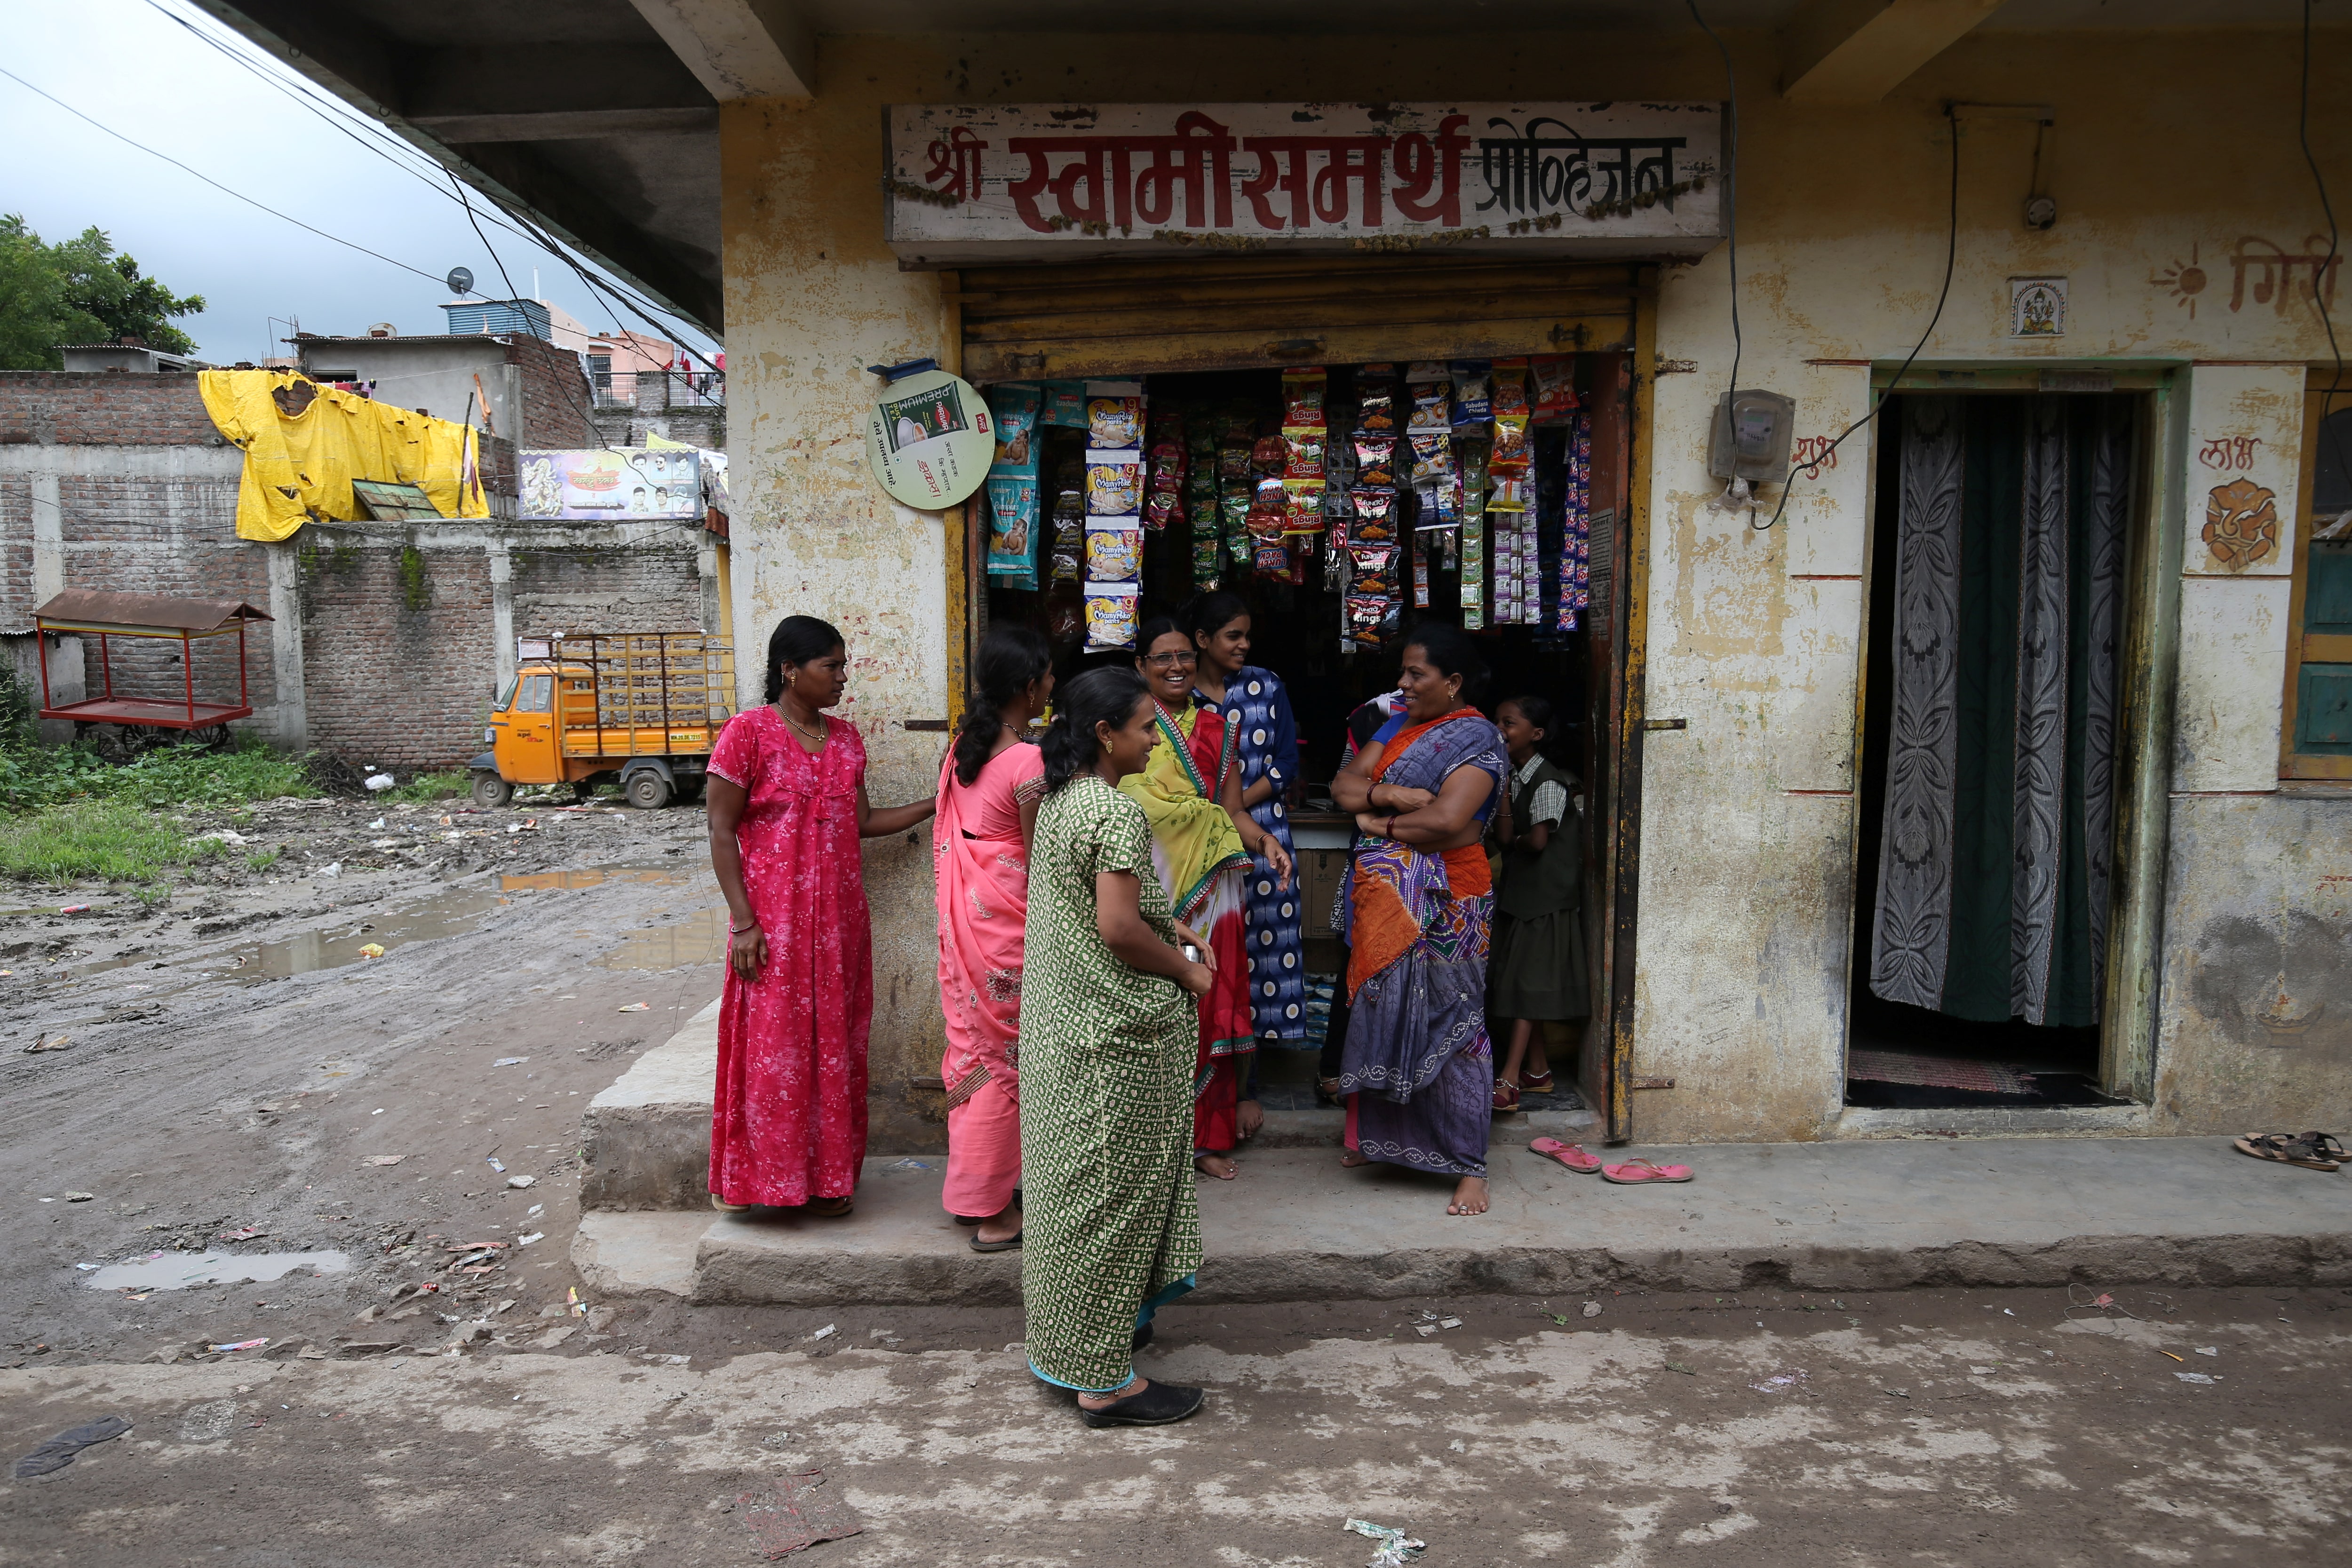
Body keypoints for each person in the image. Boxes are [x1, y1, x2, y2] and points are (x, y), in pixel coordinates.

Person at [1019, 665, 1216, 1427]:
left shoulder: (1060, 799)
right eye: (1145, 728)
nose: (1157, 740)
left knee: (1074, 1200)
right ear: (1104, 734)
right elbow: (1118, 927)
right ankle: (1103, 1383)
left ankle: (1081, 1341)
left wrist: (1172, 926)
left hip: (1065, 1035)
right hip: (1111, 1045)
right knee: (1112, 1203)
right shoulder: (1114, 811)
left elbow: (1092, 906)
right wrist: (1188, 972)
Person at [706, 615, 937, 1217]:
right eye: (830, 666)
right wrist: (743, 923)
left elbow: (862, 823)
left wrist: (938, 802)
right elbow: (721, 830)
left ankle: (829, 1182)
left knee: (835, 1051)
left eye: (843, 666)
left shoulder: (847, 740)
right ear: (789, 670)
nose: (841, 678)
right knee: (774, 1054)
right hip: (771, 929)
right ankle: (764, 1185)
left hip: (839, 927)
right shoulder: (747, 733)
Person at [1329, 625, 1510, 1216]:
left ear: (1452, 682)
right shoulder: (1395, 726)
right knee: (1387, 1007)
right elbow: (1343, 787)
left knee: (1456, 1022)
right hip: (1388, 895)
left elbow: (1448, 823)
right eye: (1402, 672)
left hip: (1451, 899)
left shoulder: (1477, 738)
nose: (1402, 684)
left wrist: (1374, 824)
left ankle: (1469, 1167)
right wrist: (1391, 797)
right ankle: (1383, 1142)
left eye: (1416, 674)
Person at [1125, 617, 1295, 1179]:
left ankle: (1204, 1139)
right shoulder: (1124, 727)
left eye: (1184, 657)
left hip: (1212, 892)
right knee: (1148, 1002)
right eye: (1162, 658)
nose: (1176, 667)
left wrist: (1265, 842)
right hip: (1145, 881)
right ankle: (1148, 1143)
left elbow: (1231, 810)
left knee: (1208, 998)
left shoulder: (1218, 728)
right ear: (1140, 667)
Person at [933, 625, 1055, 1250]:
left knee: (973, 1052)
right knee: (1005, 1062)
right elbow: (1040, 861)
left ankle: (971, 1194)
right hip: (1008, 929)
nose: (1053, 686)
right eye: (1049, 677)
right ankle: (994, 1214)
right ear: (1029, 687)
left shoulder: (962, 749)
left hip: (966, 927)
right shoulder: (1028, 762)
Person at [1187, 593, 1306, 1063]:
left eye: (1247, 636)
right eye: (1233, 636)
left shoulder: (1265, 685)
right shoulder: (1180, 694)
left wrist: (1233, 806)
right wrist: (1224, 812)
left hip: (1264, 833)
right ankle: (1209, 1051)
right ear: (1203, 639)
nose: (1244, 645)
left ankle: (1252, 1061)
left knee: (1267, 939)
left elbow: (1286, 763)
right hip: (1202, 841)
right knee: (1213, 940)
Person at [1488, 695, 1588, 1113]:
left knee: (1527, 989)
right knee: (1519, 982)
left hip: (1544, 901)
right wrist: (1505, 797)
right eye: (1498, 722)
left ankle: (1509, 1079)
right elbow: (1505, 840)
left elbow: (1537, 841)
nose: (1500, 730)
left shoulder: (1548, 781)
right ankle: (1538, 1070)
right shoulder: (1514, 777)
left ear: (1537, 734)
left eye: (1509, 723)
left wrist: (1516, 839)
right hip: (1522, 898)